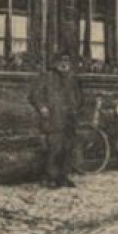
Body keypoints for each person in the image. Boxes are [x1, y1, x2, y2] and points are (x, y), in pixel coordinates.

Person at [29, 53, 84, 188]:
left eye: (67, 61)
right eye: (61, 61)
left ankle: (63, 177)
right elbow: (34, 95)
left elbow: (79, 96)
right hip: (53, 118)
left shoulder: (72, 78)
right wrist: (42, 107)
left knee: (68, 147)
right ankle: (50, 178)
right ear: (55, 63)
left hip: (69, 119)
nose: (64, 64)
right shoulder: (47, 77)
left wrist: (76, 106)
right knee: (54, 148)